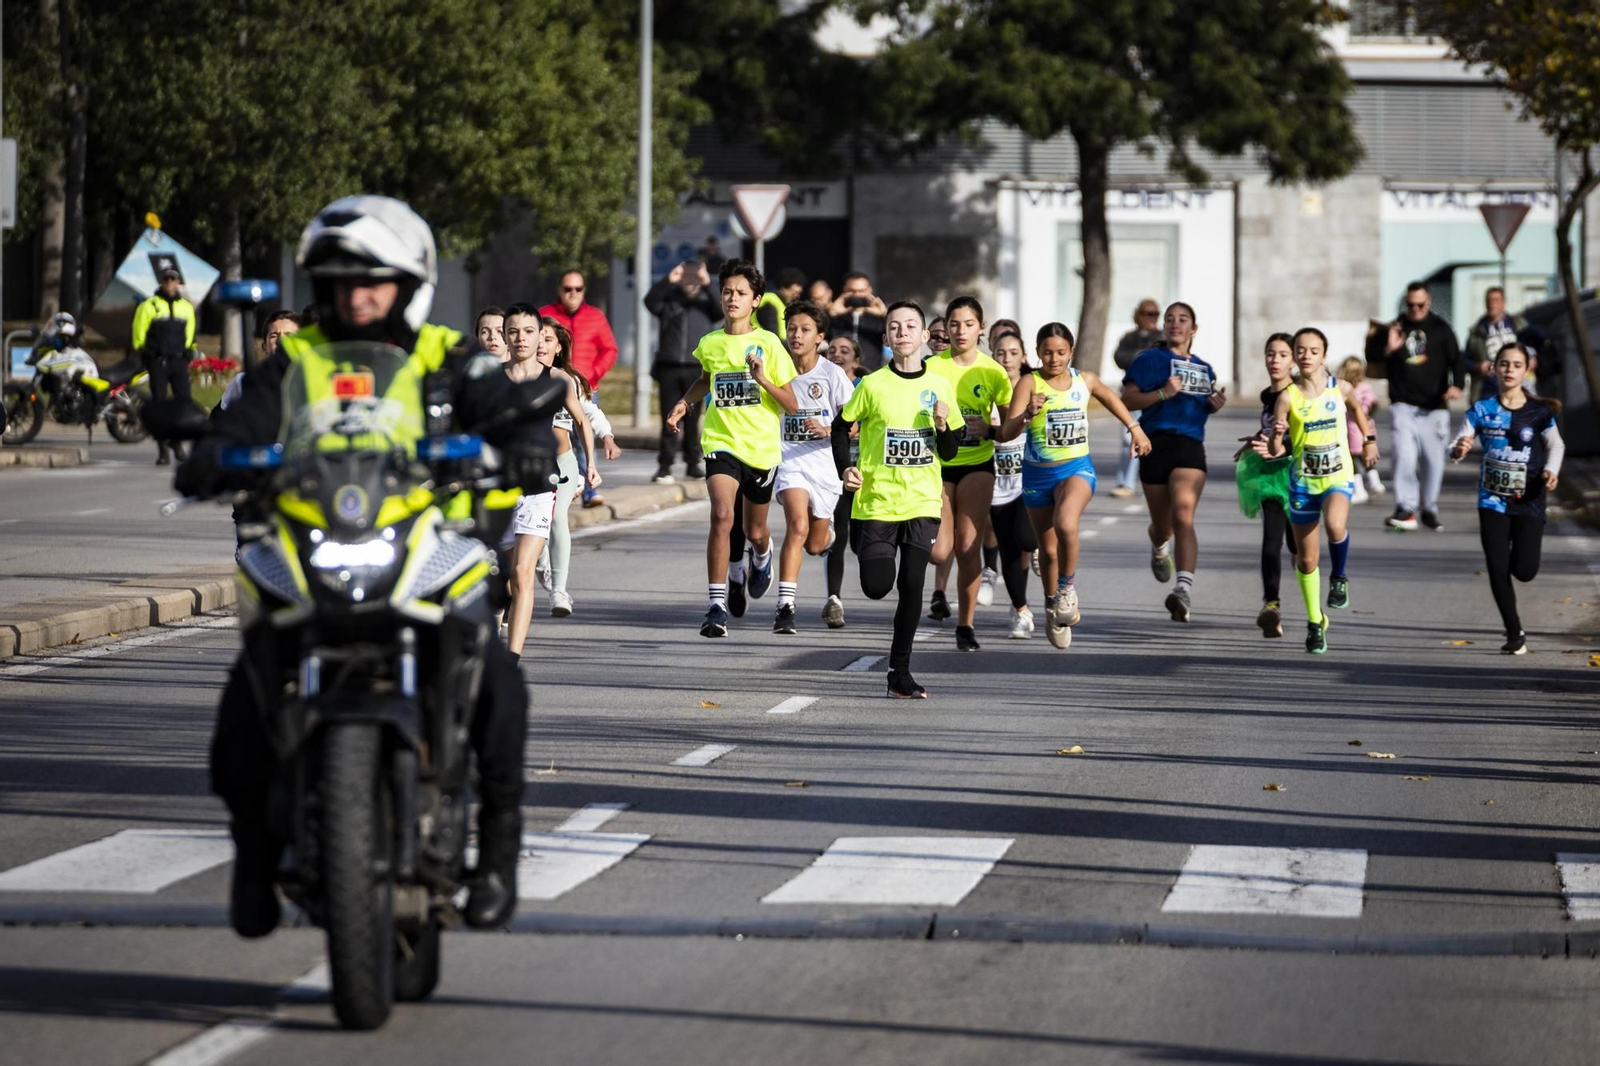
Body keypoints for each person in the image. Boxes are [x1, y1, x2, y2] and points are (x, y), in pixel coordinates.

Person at [177, 195, 553, 935]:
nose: (358, 294)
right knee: (246, 696)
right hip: (314, 541)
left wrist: (527, 441)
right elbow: (243, 421)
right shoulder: (296, 359)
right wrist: (211, 455)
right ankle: (253, 855)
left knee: (497, 679)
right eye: (342, 279)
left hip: (423, 541)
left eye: (374, 278)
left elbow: (506, 407)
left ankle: (499, 847)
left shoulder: (446, 354)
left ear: (408, 282)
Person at [665, 259, 799, 637]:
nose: (732, 298)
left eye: (741, 293)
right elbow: (705, 380)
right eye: (727, 291)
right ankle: (716, 606)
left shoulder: (770, 344)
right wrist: (685, 403)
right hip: (721, 441)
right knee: (722, 516)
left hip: (761, 448)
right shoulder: (711, 342)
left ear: (756, 300)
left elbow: (791, 404)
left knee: (755, 531)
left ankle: (762, 555)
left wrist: (762, 379)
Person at [832, 301, 960, 697]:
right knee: (876, 586)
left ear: (924, 336)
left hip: (922, 501)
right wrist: (845, 468)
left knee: (912, 584)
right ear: (886, 337)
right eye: (894, 326)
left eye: (910, 326)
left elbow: (950, 451)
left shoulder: (940, 386)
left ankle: (899, 672)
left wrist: (942, 425)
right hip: (877, 501)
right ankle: (864, 547)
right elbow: (840, 427)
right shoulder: (872, 385)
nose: (902, 332)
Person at [1000, 322, 1150, 648]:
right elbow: (1006, 433)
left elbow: (1113, 399)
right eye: (1047, 353)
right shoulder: (1029, 382)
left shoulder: (1085, 380)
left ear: (1071, 351)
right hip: (1037, 476)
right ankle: (1052, 604)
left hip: (1076, 469)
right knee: (1048, 550)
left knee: (1066, 523)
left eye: (1061, 352)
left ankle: (1067, 589)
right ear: (1037, 353)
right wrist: (1027, 415)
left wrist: (1135, 429)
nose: (1054, 359)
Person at [1253, 327, 1379, 654]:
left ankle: (1339, 577)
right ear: (1295, 356)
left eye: (1313, 351)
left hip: (1337, 476)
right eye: (1301, 350)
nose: (1306, 356)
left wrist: (1369, 440)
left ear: (1324, 355)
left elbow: (1357, 410)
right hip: (1303, 482)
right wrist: (1276, 434)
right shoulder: (1287, 397)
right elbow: (1277, 449)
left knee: (1336, 526)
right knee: (1306, 559)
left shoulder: (1341, 388)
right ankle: (1315, 621)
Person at [1450, 344, 1564, 654]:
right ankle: (1515, 632)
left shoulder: (1539, 412)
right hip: (1492, 499)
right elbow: (1458, 443)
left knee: (1524, 570)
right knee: (1497, 566)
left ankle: (1518, 566)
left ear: (1526, 369)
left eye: (1516, 364)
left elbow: (1556, 445)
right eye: (1504, 364)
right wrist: (1459, 449)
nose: (1509, 370)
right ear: (1494, 369)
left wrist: (1551, 470)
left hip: (1530, 498)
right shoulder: (1481, 410)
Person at [497, 304, 597, 656]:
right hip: (500, 489)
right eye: (513, 332)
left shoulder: (557, 379)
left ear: (540, 335)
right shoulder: (492, 379)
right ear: (505, 336)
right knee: (504, 576)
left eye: (528, 332)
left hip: (539, 486)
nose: (521, 339)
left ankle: (512, 656)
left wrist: (590, 464)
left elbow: (582, 420)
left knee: (523, 571)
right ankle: (496, 627)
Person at [1121, 302, 1225, 622]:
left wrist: (1213, 404)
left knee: (1183, 514)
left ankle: (1182, 589)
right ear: (1165, 327)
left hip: (1189, 447)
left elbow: (1199, 406)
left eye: (1183, 320)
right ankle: (1158, 547)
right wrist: (1163, 393)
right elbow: (1127, 399)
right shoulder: (1150, 360)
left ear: (1194, 329)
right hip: (1155, 445)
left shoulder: (1204, 369)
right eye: (1170, 319)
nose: (1175, 324)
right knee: (1162, 528)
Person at [924, 296, 1013, 651]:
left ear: (981, 328)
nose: (961, 331)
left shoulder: (993, 371)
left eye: (968, 324)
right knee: (939, 552)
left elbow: (1009, 429)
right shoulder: (931, 367)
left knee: (966, 546)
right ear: (945, 328)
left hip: (978, 464)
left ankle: (966, 624)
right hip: (938, 464)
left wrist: (991, 430)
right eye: (954, 324)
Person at [771, 301, 855, 634]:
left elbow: (854, 424)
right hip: (791, 461)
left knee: (815, 544)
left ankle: (829, 533)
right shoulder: (777, 369)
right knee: (797, 525)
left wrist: (829, 429)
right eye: (792, 328)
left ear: (819, 337)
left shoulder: (832, 374)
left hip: (825, 466)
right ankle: (785, 607)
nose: (796, 335)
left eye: (805, 330)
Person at [1366, 282, 1465, 532]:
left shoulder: (1441, 329)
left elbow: (1457, 359)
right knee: (1404, 456)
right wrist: (1389, 348)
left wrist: (1458, 385)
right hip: (1403, 404)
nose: (1415, 309)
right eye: (1411, 305)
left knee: (1433, 461)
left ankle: (1429, 508)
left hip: (1434, 406)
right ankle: (1405, 506)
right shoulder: (1396, 327)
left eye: (1420, 305)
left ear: (1428, 302)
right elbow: (1370, 357)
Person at [540, 317, 619, 617]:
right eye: (537, 337)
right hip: (528, 464)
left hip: (563, 463)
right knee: (529, 530)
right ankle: (542, 566)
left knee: (556, 518)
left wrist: (606, 438)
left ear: (558, 347)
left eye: (548, 339)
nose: (541, 345)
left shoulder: (567, 380)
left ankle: (559, 591)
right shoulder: (516, 377)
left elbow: (588, 415)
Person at [1233, 334, 1297, 639]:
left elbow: (1305, 434)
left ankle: (1314, 611)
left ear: (1293, 360)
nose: (1275, 360)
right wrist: (1255, 440)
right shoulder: (1267, 396)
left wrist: (1284, 448)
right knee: (1271, 542)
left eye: (1283, 355)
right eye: (1271, 354)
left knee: (1299, 549)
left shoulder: (1298, 394)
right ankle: (1271, 606)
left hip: (1298, 476)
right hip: (1271, 477)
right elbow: (1272, 428)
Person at [540, 269, 619, 508]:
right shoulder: (544, 315)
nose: (573, 293)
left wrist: (591, 375)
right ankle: (558, 486)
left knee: (583, 437)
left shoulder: (595, 316)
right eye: (567, 289)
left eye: (578, 289)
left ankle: (589, 490)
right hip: (545, 386)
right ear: (559, 290)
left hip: (584, 386)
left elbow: (610, 350)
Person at [645, 260, 721, 483]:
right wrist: (669, 280)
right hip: (669, 365)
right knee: (669, 416)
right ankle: (665, 465)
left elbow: (720, 311)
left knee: (692, 418)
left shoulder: (706, 302)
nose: (689, 280)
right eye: (686, 275)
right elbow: (650, 302)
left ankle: (692, 463)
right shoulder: (670, 299)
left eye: (693, 275)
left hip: (695, 367)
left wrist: (707, 284)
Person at [987, 330, 1038, 638]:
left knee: (1026, 539)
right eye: (1000, 353)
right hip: (996, 479)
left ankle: (1040, 550)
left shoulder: (1035, 388)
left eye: (1013, 352)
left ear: (1024, 357)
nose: (1006, 358)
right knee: (1009, 550)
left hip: (1028, 478)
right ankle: (1021, 610)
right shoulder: (985, 388)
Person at [132, 266, 198, 465]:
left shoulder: (186, 307)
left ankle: (176, 444)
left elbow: (191, 333)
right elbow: (138, 333)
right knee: (160, 405)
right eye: (166, 279)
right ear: (161, 281)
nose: (170, 282)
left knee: (183, 403)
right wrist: (144, 352)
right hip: (158, 361)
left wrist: (189, 351)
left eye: (173, 279)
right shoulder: (149, 306)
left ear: (178, 282)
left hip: (178, 361)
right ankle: (162, 450)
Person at [822, 333, 865, 628]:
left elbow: (856, 426)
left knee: (860, 542)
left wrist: (829, 429)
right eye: (832, 350)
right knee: (837, 535)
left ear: (857, 360)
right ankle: (833, 599)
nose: (837, 354)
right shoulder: (820, 383)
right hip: (833, 469)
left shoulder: (867, 386)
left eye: (845, 351)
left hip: (863, 471)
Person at [1110, 299, 1164, 498]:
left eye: (1155, 314)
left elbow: (1162, 360)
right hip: (1133, 395)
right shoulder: (1129, 337)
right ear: (1138, 315)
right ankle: (1125, 483)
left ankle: (1159, 482)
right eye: (1147, 313)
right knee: (1129, 438)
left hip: (1156, 396)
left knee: (1159, 438)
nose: (1152, 318)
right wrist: (1141, 355)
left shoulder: (1162, 337)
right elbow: (1119, 358)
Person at [219, 311, 301, 412]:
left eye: (289, 335)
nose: (281, 341)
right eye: (274, 336)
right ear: (264, 347)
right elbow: (221, 417)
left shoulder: (310, 382)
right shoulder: (242, 382)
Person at [1336, 355, 1383, 503]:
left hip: (1352, 429)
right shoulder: (1366, 387)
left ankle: (1359, 489)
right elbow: (1374, 403)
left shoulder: (1346, 388)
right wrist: (1368, 415)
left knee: (1352, 460)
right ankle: (1375, 483)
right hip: (1366, 428)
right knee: (1366, 457)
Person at [1466, 286, 1526, 398]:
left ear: (1503, 303)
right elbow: (1465, 359)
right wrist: (1478, 366)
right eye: (1489, 300)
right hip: (1488, 388)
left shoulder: (1518, 325)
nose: (1492, 303)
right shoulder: (1477, 330)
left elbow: (1533, 346)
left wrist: (1532, 358)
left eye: (1496, 300)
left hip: (1517, 386)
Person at [827, 271, 887, 371]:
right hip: (839, 374)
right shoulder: (837, 318)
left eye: (861, 291)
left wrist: (885, 315)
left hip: (871, 373)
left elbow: (893, 337)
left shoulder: (877, 319)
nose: (857, 295)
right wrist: (831, 314)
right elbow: (821, 336)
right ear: (845, 290)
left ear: (869, 290)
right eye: (852, 291)